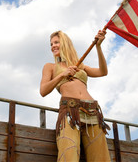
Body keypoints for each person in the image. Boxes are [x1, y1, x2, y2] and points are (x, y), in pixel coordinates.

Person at [40, 30, 111, 162]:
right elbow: (43, 91)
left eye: (56, 42)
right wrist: (62, 74)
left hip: (92, 111)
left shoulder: (80, 65)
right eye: (51, 44)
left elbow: (103, 72)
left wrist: (98, 47)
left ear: (65, 43)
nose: (53, 46)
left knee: (101, 158)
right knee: (68, 155)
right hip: (70, 112)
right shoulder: (50, 67)